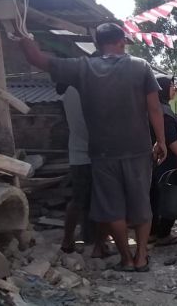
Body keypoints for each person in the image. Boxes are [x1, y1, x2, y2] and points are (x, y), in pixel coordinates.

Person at [18, 23, 167, 272]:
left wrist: (22, 35)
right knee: (141, 204)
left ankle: (126, 259)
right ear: (122, 41)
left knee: (112, 207)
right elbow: (154, 108)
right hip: (138, 149)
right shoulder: (140, 66)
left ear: (97, 44)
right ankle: (141, 257)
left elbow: (36, 58)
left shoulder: (82, 67)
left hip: (102, 152)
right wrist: (160, 141)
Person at [57, 83, 112, 258]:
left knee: (78, 200)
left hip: (77, 154)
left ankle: (68, 240)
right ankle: (99, 245)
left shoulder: (69, 91)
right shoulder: (95, 89)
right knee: (104, 200)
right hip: (99, 154)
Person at [150, 75, 177, 246]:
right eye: (172, 86)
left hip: (154, 161)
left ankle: (152, 232)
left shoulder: (156, 107)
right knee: (169, 196)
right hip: (166, 161)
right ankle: (163, 233)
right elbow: (170, 140)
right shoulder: (163, 111)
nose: (175, 89)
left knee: (155, 196)